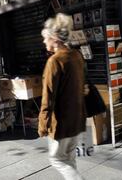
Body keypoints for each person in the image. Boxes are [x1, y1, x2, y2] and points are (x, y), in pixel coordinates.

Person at [38, 13, 86, 180]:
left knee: (57, 160)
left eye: (46, 38)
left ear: (54, 39)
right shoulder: (76, 56)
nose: (44, 42)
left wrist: (43, 124)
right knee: (69, 159)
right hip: (77, 119)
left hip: (62, 123)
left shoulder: (55, 61)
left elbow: (48, 97)